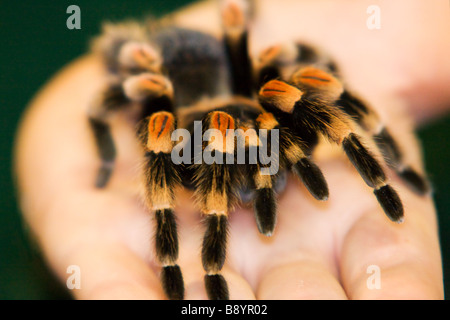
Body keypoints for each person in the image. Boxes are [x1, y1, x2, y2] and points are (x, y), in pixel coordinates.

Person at [14, 0, 449, 299]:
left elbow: (304, 65)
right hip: (184, 104)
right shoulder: (167, 114)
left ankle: (388, 168)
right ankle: (201, 264)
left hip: (237, 91)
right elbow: (112, 99)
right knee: (191, 114)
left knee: (305, 87)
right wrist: (109, 156)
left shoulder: (268, 97)